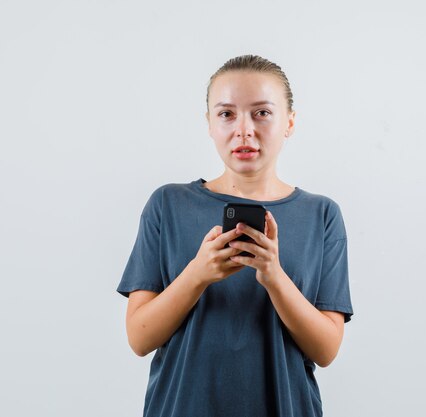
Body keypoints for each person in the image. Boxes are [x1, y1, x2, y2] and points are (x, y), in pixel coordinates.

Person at [117, 54, 354, 417]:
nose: (244, 130)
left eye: (261, 112)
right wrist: (198, 274)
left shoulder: (322, 215)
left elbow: (326, 350)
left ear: (289, 122)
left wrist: (274, 277)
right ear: (210, 124)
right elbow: (139, 337)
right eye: (227, 113)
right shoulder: (167, 204)